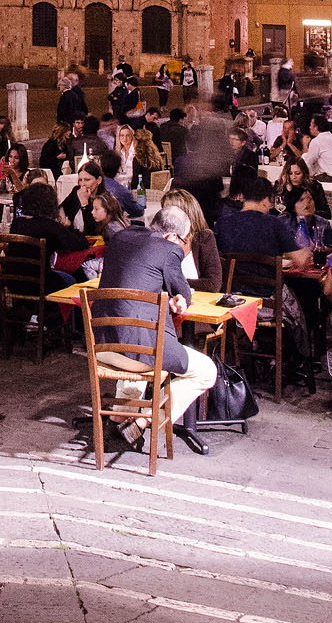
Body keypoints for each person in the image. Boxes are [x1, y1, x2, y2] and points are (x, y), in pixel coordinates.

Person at [96, 204, 217, 454]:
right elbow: (181, 289)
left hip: (100, 345)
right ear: (173, 237)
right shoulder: (168, 248)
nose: (183, 248)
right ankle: (143, 421)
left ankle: (118, 419)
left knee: (137, 346)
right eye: (185, 241)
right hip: (136, 350)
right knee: (206, 371)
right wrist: (182, 298)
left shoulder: (121, 236)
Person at [216, 169, 312, 268]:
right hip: (266, 283)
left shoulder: (223, 222)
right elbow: (301, 260)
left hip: (231, 282)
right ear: (266, 200)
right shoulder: (274, 224)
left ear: (243, 197)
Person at [159, 187, 222, 292]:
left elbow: (213, 284)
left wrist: (176, 283)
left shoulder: (204, 238)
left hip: (200, 303)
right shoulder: (161, 240)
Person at [303, 114, 332, 182]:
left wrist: (305, 145)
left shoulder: (317, 140)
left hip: (331, 178)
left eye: (311, 125)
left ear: (316, 127)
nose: (309, 127)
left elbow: (306, 163)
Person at [61, 162, 104, 231]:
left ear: (98, 180)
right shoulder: (76, 191)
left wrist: (84, 204)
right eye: (80, 180)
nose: (83, 184)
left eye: (87, 180)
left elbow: (92, 229)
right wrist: (63, 219)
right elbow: (62, 207)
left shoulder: (103, 200)